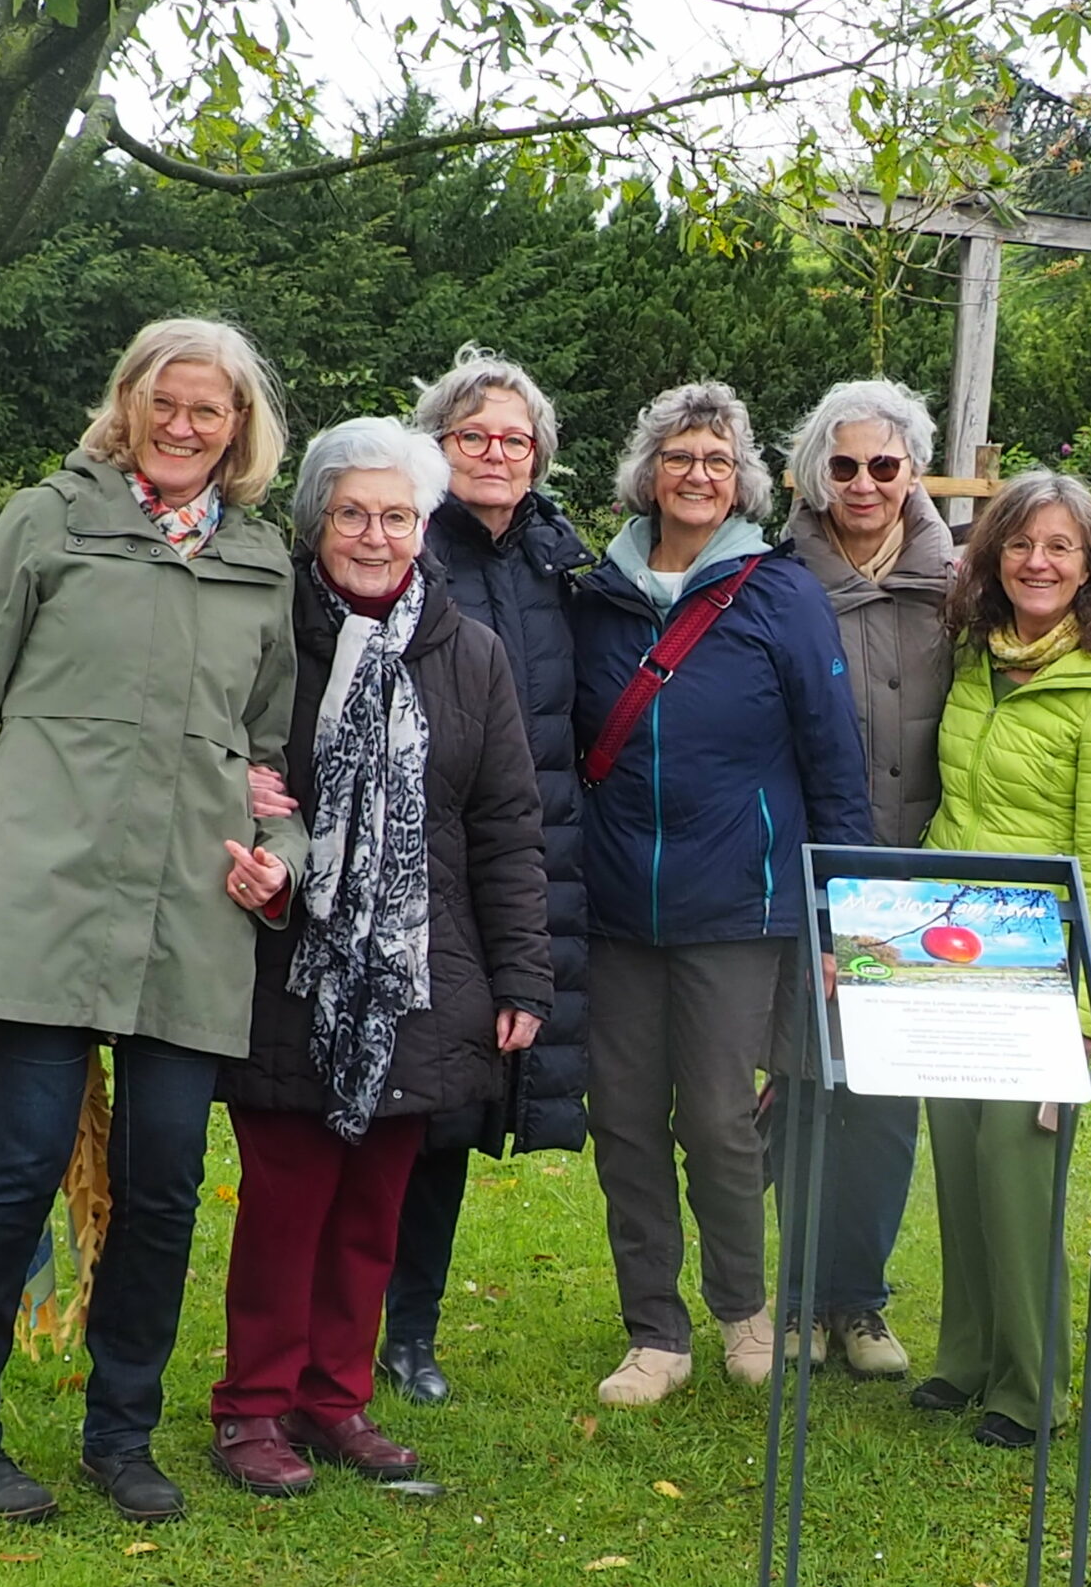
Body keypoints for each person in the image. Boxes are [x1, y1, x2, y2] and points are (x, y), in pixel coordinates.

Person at [0, 317, 305, 1523]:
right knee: (22, 1161)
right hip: (48, 902)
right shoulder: (48, 522)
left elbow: (274, 757)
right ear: (128, 404)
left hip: (190, 915)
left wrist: (280, 861)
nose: (186, 426)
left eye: (212, 410)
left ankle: (121, 1434)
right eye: (167, 403)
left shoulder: (262, 563)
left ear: (242, 428)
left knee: (165, 1178)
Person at [210, 417, 552, 1494]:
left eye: (397, 515)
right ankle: (252, 1408)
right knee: (287, 1200)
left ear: (425, 525)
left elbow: (503, 827)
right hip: (288, 962)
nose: (374, 534)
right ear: (318, 523)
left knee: (371, 1211)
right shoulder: (270, 637)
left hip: (417, 975)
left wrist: (522, 977)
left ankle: (333, 1401)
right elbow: (220, 762)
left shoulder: (468, 651)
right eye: (353, 513)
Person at [573, 381, 874, 1407]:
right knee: (620, 1117)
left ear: (739, 477)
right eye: (678, 456)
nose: (696, 475)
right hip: (615, 907)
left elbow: (835, 761)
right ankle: (653, 1332)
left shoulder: (778, 593)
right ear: (647, 472)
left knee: (716, 1115)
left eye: (715, 458)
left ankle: (744, 1309)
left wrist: (837, 910)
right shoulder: (595, 593)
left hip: (737, 907)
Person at [370, 347, 593, 1408]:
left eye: (514, 439)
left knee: (455, 1110)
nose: (496, 454)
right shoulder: (408, 546)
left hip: (524, 855)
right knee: (393, 1108)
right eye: (473, 438)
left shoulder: (563, 565)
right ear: (437, 450)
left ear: (540, 455)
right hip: (414, 864)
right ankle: (351, 1318)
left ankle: (409, 1332)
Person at [916, 470, 1091, 1450]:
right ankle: (966, 1358)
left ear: (1088, 563)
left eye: (1058, 547)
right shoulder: (974, 661)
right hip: (945, 950)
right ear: (990, 558)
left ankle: (1031, 1388)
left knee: (1018, 1172)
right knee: (959, 1165)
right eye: (1019, 545)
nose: (1037, 563)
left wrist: (1085, 1021)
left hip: (1042, 970)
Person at [766, 378, 957, 1381]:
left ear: (912, 472)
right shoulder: (773, 576)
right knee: (804, 1090)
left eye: (884, 465)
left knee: (885, 1102)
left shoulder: (958, 583)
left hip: (914, 878)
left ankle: (860, 1302)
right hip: (806, 870)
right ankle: (795, 1297)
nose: (863, 483)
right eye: (842, 466)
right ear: (814, 473)